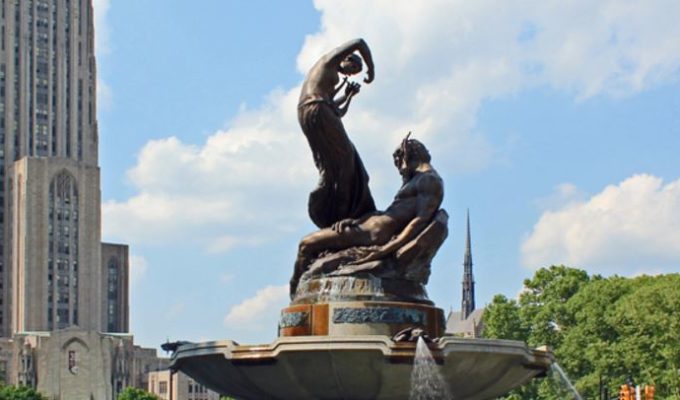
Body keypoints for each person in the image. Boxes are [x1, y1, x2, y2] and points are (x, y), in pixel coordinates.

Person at [290, 136, 444, 295]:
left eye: (397, 163)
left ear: (405, 156)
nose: (399, 169)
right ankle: (300, 297)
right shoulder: (416, 179)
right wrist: (356, 221)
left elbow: (419, 221)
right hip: (367, 226)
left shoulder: (429, 180)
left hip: (375, 233)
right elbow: (390, 213)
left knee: (306, 244)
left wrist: (387, 248)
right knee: (313, 247)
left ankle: (295, 294)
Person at [298, 38, 377, 228]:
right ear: (346, 59)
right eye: (353, 68)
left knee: (336, 162)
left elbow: (336, 111)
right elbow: (360, 42)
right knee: (347, 158)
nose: (351, 74)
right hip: (315, 108)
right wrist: (371, 69)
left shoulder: (327, 83)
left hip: (312, 110)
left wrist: (348, 96)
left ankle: (331, 207)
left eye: (355, 72)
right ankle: (342, 215)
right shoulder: (329, 61)